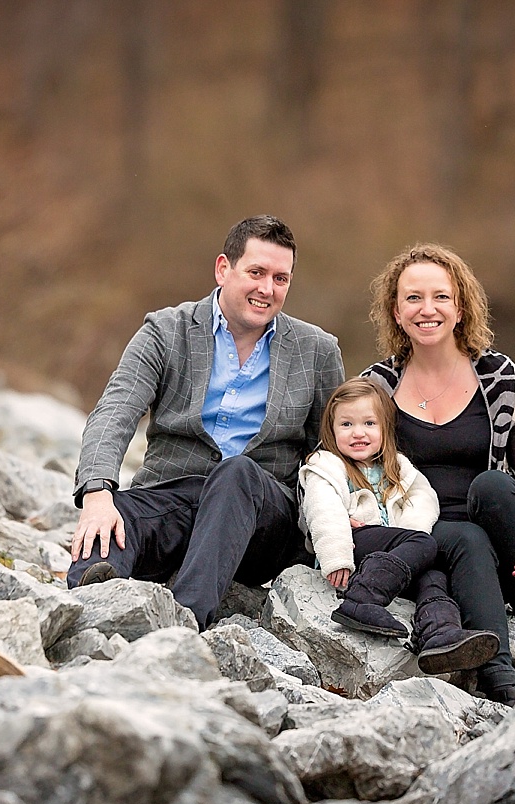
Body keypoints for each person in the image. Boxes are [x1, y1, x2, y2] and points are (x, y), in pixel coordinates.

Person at [66, 217, 345, 630]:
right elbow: (115, 412)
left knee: (237, 475)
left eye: (281, 278)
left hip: (263, 519)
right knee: (116, 516)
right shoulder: (165, 331)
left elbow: (330, 451)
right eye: (256, 272)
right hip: (175, 498)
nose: (267, 289)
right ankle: (94, 603)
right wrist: (97, 493)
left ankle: (183, 622)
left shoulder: (317, 351)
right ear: (222, 269)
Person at [361, 245, 515, 706]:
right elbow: (337, 467)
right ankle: (500, 679)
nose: (427, 309)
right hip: (425, 538)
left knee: (493, 486)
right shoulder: (377, 387)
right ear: (396, 312)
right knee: (463, 537)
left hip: (497, 540)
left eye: (440, 296)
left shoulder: (500, 379)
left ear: (460, 307)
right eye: (413, 298)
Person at [298, 378, 499, 677]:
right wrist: (336, 555)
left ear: (384, 429)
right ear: (331, 429)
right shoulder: (326, 464)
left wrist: (410, 534)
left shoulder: (398, 466)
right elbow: (322, 509)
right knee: (426, 546)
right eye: (346, 425)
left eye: (369, 423)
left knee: (432, 574)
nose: (358, 433)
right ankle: (362, 598)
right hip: (355, 544)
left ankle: (439, 633)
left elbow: (425, 498)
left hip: (395, 553)